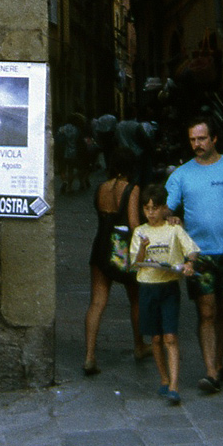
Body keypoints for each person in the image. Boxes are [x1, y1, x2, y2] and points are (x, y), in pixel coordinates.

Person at [165, 114, 223, 392]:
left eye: (202, 138)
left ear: (214, 138)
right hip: (198, 255)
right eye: (193, 139)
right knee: (207, 311)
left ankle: (218, 362)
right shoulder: (181, 174)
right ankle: (211, 372)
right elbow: (166, 207)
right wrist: (170, 218)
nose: (197, 144)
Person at [131, 187, 199, 405]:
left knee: (170, 335)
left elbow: (192, 249)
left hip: (168, 285)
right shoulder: (140, 231)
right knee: (156, 337)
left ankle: (174, 385)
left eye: (155, 208)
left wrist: (189, 263)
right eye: (147, 208)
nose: (151, 213)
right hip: (148, 285)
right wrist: (142, 247)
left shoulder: (173, 229)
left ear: (163, 209)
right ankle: (163, 377)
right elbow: (135, 262)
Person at [83, 145, 147, 375]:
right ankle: (139, 346)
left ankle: (89, 356)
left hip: (100, 245)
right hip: (122, 248)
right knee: (136, 299)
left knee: (97, 302)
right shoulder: (132, 189)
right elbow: (133, 224)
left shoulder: (101, 187)